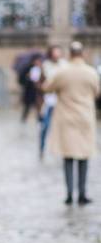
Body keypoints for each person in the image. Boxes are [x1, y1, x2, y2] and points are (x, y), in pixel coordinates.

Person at [42, 41, 100, 205]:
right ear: (82, 53)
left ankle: (69, 193)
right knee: (83, 157)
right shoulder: (91, 72)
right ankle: (82, 193)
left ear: (70, 54)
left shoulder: (63, 72)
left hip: (67, 118)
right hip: (85, 118)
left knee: (68, 157)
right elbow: (97, 92)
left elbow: (47, 87)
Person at [38, 46, 67, 159]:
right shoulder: (45, 66)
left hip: (62, 102)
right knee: (45, 126)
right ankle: (42, 148)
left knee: (64, 128)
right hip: (49, 101)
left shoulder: (64, 65)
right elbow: (41, 86)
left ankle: (64, 150)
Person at [19, 54, 42, 124]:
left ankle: (39, 120)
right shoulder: (27, 69)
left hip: (38, 91)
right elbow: (21, 80)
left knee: (38, 107)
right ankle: (23, 120)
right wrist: (28, 78)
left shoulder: (41, 69)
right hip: (29, 91)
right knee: (27, 107)